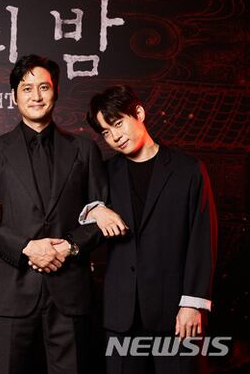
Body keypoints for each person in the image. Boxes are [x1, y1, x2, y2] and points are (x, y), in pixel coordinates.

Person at [0, 54, 118, 374]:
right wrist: (27, 247)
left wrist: (68, 247)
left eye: (44, 87)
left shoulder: (84, 149)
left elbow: (101, 213)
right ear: (14, 96)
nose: (36, 96)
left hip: (70, 292)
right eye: (26, 88)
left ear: (56, 91)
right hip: (11, 292)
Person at [86, 84, 217, 374]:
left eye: (118, 123)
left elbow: (202, 238)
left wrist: (193, 304)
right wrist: (94, 209)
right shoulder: (104, 174)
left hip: (176, 311)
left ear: (139, 113)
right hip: (122, 314)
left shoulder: (189, 170)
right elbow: (74, 212)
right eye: (105, 132)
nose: (115, 137)